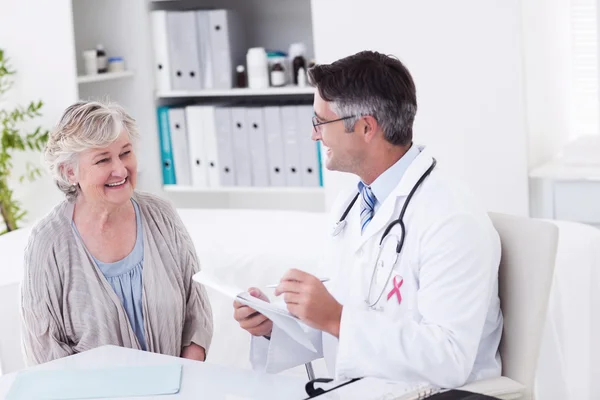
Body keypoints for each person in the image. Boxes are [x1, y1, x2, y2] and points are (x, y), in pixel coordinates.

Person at [233, 51, 503, 389]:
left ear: (365, 127)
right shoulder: (354, 205)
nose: (314, 135)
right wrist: (274, 325)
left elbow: (449, 358)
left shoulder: (451, 219)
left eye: (320, 122)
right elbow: (338, 325)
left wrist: (336, 318)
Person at [21, 100, 213, 365]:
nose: (121, 169)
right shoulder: (47, 243)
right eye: (103, 159)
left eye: (125, 153)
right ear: (70, 171)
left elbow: (197, 313)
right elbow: (44, 353)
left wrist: (184, 379)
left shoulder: (162, 216)